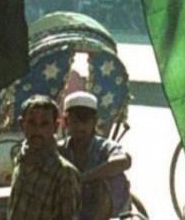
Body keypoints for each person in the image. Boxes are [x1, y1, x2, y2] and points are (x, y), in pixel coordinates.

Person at [59, 91, 132, 220]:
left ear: (94, 122)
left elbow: (124, 161)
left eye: (85, 121)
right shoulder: (60, 149)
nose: (80, 127)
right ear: (66, 122)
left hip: (102, 212)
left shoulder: (103, 146)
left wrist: (85, 178)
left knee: (115, 178)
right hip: (68, 209)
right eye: (75, 121)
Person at [8, 95, 81, 220]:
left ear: (55, 126)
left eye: (44, 124)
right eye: (32, 123)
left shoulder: (64, 173)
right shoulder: (20, 160)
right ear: (22, 124)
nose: (37, 130)